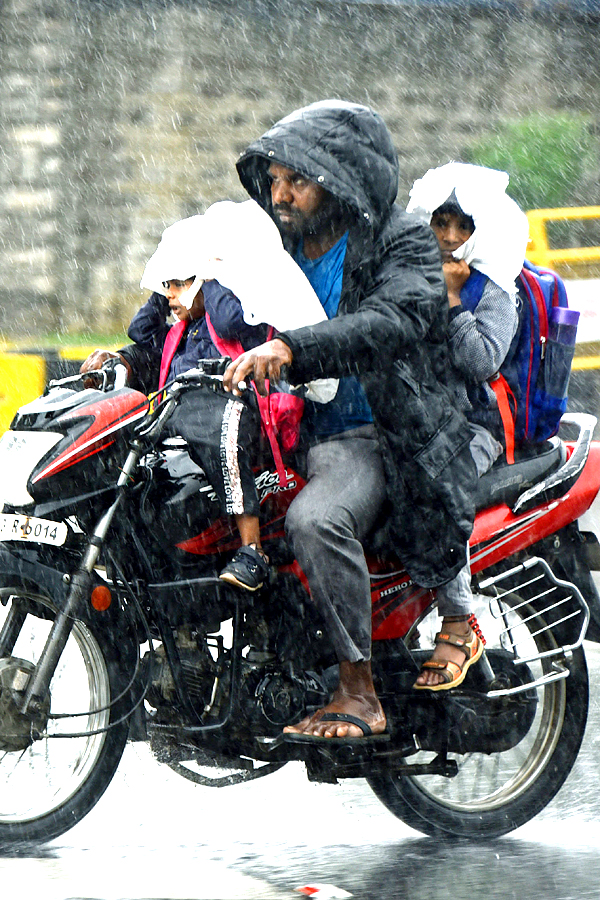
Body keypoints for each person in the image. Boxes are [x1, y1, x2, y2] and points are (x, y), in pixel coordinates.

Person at [224, 100, 478, 737]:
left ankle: (358, 688)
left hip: (380, 430)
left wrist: (292, 347)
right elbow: (216, 298)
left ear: (339, 179)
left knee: (316, 518)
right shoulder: (276, 245)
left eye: (297, 181)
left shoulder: (404, 238)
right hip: (294, 431)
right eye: (274, 180)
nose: (280, 194)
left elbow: (394, 319)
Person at [81, 204, 336, 591]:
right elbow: (141, 335)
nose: (170, 295)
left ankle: (253, 549)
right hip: (179, 437)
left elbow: (228, 317)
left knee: (216, 416)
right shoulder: (179, 332)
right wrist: (160, 298)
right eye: (166, 285)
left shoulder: (236, 321)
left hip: (240, 425)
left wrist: (213, 276)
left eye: (180, 283)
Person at [406, 161, 530, 689]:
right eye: (441, 223)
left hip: (475, 427)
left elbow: (482, 360)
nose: (451, 238)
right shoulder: (411, 276)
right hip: (418, 414)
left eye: (464, 227)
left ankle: (459, 620)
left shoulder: (496, 288)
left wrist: (454, 300)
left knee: (438, 485)